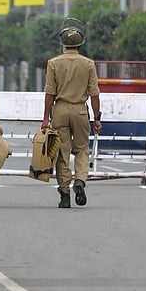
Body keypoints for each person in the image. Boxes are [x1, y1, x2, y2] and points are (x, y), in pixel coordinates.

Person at [40, 23, 102, 209]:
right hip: (81, 111)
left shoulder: (54, 63)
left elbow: (50, 93)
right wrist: (97, 118)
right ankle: (80, 180)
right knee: (82, 149)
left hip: (60, 111)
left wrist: (45, 118)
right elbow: (94, 94)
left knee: (62, 153)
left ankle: (65, 194)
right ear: (80, 44)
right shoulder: (88, 64)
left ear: (63, 44)